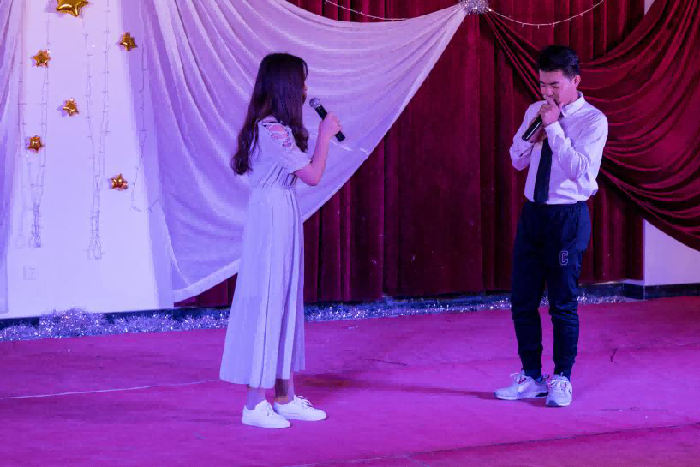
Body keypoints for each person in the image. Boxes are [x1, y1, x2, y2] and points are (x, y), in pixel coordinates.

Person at [220, 53, 342, 428]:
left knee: (285, 300)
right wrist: (325, 136)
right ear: (286, 86)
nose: (305, 90)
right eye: (300, 82)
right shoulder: (273, 130)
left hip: (282, 214)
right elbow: (313, 175)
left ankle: (285, 397)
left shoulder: (275, 128)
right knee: (269, 300)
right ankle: (254, 403)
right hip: (272, 217)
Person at [495, 45, 608, 407]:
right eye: (543, 84)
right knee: (522, 300)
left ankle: (562, 377)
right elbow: (516, 160)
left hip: (566, 216)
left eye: (555, 85)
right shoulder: (535, 111)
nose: (547, 92)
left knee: (562, 302)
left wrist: (555, 129)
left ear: (575, 81)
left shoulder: (593, 121)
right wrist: (532, 136)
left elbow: (581, 172)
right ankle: (531, 377)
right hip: (534, 214)